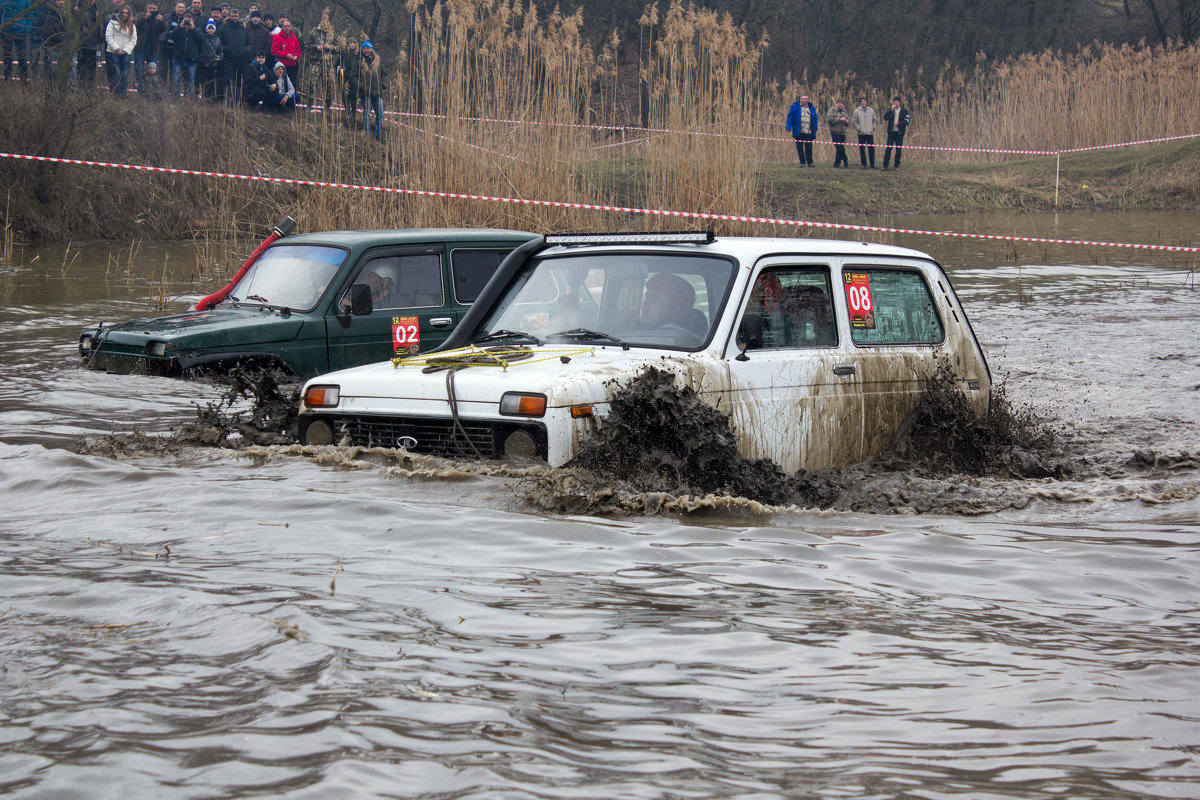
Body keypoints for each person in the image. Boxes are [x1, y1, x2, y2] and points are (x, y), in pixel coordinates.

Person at [639, 273, 706, 341]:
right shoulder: (637, 331)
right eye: (646, 296)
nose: (644, 303)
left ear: (675, 307)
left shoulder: (681, 342)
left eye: (654, 297)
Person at [303, 7, 338, 110]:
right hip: (315, 62)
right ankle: (309, 107)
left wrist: (330, 47)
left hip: (328, 63)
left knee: (328, 86)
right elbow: (306, 45)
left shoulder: (333, 34)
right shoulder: (313, 32)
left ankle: (327, 109)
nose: (325, 22)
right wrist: (315, 48)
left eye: (327, 21)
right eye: (324, 20)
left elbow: (339, 48)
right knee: (312, 84)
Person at [104, 4, 136, 95]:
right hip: (113, 52)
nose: (125, 15)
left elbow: (133, 40)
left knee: (125, 75)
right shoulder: (112, 23)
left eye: (127, 13)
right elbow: (108, 37)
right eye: (123, 13)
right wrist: (117, 49)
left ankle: (123, 95)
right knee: (116, 74)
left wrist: (125, 50)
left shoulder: (132, 25)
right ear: (119, 13)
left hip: (126, 53)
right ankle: (116, 94)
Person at [216, 7, 246, 100]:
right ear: (229, 16)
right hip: (228, 58)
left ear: (239, 16)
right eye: (233, 16)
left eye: (236, 16)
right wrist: (228, 49)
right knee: (228, 80)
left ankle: (238, 99)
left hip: (241, 58)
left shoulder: (243, 28)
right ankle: (228, 99)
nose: (235, 18)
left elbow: (249, 42)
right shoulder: (222, 27)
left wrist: (246, 50)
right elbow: (219, 42)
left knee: (239, 80)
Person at [169, 12, 201, 96]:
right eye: (185, 20)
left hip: (191, 60)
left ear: (193, 21)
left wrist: (193, 28)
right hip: (178, 59)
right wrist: (180, 27)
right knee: (176, 80)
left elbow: (202, 40)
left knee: (190, 81)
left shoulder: (196, 30)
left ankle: (189, 101)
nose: (187, 21)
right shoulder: (179, 29)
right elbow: (171, 36)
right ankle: (175, 100)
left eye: (189, 20)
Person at [133, 3, 163, 91]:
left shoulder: (157, 18)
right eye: (150, 8)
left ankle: (153, 92)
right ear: (146, 8)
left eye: (154, 8)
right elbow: (134, 23)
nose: (152, 10)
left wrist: (161, 21)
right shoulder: (141, 15)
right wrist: (144, 18)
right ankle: (141, 92)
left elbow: (164, 29)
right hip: (140, 48)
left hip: (153, 49)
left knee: (154, 71)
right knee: (139, 70)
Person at [1, 0, 34, 81]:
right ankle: (7, 79)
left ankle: (24, 80)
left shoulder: (25, 1)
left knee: (22, 56)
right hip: (7, 31)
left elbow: (30, 16)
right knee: (7, 57)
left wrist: (26, 30)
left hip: (21, 32)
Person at [358, 39, 384, 139]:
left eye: (368, 48)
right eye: (364, 49)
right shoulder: (359, 61)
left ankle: (379, 136)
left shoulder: (378, 61)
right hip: (365, 92)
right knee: (367, 115)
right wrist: (361, 86)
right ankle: (367, 136)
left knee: (380, 115)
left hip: (377, 93)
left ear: (371, 49)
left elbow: (384, 73)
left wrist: (382, 85)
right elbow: (353, 76)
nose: (366, 50)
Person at [785, 93, 817, 167]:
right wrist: (788, 127)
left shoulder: (812, 107)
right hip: (798, 131)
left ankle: (810, 162)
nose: (804, 100)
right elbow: (790, 117)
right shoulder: (794, 107)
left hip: (809, 131)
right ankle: (802, 162)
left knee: (809, 147)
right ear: (800, 99)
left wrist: (815, 128)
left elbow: (815, 118)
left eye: (806, 99)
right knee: (799, 147)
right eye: (803, 99)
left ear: (808, 100)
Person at [269, 14, 299, 90]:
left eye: (288, 26)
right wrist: (285, 55)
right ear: (282, 27)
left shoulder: (294, 38)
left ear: (291, 27)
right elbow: (273, 51)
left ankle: (292, 99)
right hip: (282, 65)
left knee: (292, 84)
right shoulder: (277, 38)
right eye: (285, 26)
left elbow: (298, 50)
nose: (287, 28)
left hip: (292, 64)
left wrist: (296, 56)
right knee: (282, 85)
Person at [882, 96, 911, 171]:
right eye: (894, 101)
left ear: (900, 103)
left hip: (899, 133)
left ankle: (896, 165)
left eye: (897, 101)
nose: (896, 103)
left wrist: (899, 123)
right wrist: (890, 110)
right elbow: (885, 118)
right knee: (888, 149)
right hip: (891, 133)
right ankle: (885, 165)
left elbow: (907, 121)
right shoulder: (891, 110)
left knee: (898, 150)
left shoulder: (904, 111)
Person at [338, 35, 360, 127]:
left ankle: (354, 114)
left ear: (356, 45)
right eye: (351, 43)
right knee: (345, 95)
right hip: (345, 78)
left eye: (353, 43)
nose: (352, 45)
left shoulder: (358, 55)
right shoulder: (344, 53)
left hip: (354, 78)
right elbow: (338, 64)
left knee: (354, 97)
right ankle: (347, 113)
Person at [196, 19, 221, 98]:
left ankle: (212, 98)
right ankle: (204, 97)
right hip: (203, 64)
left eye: (212, 28)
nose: (210, 30)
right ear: (206, 29)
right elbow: (198, 49)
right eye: (209, 28)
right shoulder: (202, 38)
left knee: (212, 82)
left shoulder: (217, 39)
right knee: (203, 82)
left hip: (213, 64)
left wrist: (219, 57)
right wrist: (200, 58)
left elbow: (220, 51)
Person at [852, 96, 876, 169]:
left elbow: (874, 120)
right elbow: (854, 121)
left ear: (866, 102)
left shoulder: (871, 110)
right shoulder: (856, 111)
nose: (863, 103)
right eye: (862, 101)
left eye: (864, 101)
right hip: (861, 133)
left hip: (869, 133)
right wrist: (858, 128)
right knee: (862, 149)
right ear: (860, 103)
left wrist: (873, 127)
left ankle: (872, 164)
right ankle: (863, 164)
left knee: (871, 149)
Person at [827, 99, 850, 168]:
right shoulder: (832, 110)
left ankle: (836, 163)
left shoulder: (844, 112)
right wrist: (839, 119)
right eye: (839, 103)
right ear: (836, 104)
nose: (840, 104)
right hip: (835, 132)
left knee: (840, 149)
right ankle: (845, 160)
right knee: (840, 148)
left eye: (841, 103)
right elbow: (829, 120)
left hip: (842, 132)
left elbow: (848, 123)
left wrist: (846, 121)